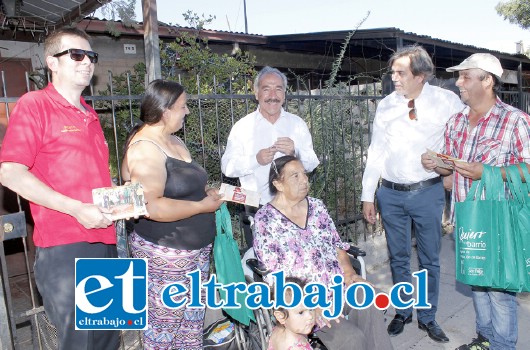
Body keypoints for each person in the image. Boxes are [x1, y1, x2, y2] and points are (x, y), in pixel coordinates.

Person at [0, 28, 119, 349]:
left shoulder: (90, 115)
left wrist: (120, 196)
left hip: (106, 242)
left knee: (110, 341)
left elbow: (87, 181)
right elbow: (10, 173)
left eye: (91, 56)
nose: (87, 62)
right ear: (52, 62)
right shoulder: (34, 104)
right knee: (79, 344)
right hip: (66, 248)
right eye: (76, 55)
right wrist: (77, 209)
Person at [421, 53, 530, 350]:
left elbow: (528, 169)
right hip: (465, 218)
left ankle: (503, 345)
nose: (459, 82)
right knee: (477, 282)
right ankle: (484, 339)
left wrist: (490, 173)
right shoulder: (456, 121)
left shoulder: (515, 121)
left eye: (466, 76)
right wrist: (436, 163)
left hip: (499, 219)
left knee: (498, 289)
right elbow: (450, 167)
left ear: (488, 81)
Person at [361, 45, 465, 342]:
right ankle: (403, 312)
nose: (394, 78)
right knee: (399, 257)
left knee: (431, 258)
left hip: (427, 192)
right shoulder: (386, 105)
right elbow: (376, 150)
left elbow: (460, 140)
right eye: (392, 72)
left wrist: (448, 166)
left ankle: (428, 317)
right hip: (390, 195)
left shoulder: (447, 102)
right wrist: (368, 194)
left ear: (421, 75)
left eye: (400, 73)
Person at [121, 79, 223, 349]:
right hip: (167, 255)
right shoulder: (145, 148)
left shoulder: (173, 140)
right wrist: (202, 206)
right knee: (164, 329)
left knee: (189, 327)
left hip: (196, 252)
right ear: (165, 111)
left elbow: (181, 189)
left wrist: (207, 193)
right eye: (183, 106)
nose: (187, 111)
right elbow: (151, 206)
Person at [254, 155, 394, 350]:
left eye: (304, 174)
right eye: (295, 176)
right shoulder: (266, 220)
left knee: (370, 301)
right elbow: (274, 277)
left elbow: (337, 245)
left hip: (339, 287)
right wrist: (309, 305)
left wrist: (349, 273)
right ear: (278, 183)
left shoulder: (317, 207)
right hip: (305, 302)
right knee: (351, 339)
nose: (304, 180)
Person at [221, 66, 319, 235]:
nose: (273, 96)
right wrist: (256, 160)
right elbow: (227, 167)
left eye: (278, 89)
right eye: (266, 89)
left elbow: (312, 163)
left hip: (294, 207)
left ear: (284, 94)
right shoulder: (242, 127)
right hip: (256, 208)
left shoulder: (297, 124)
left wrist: (295, 152)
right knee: (262, 261)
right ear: (256, 93)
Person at [267, 277, 315, 350]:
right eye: (301, 312)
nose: (310, 316)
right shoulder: (296, 348)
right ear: (281, 317)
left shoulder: (280, 328)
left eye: (311, 308)